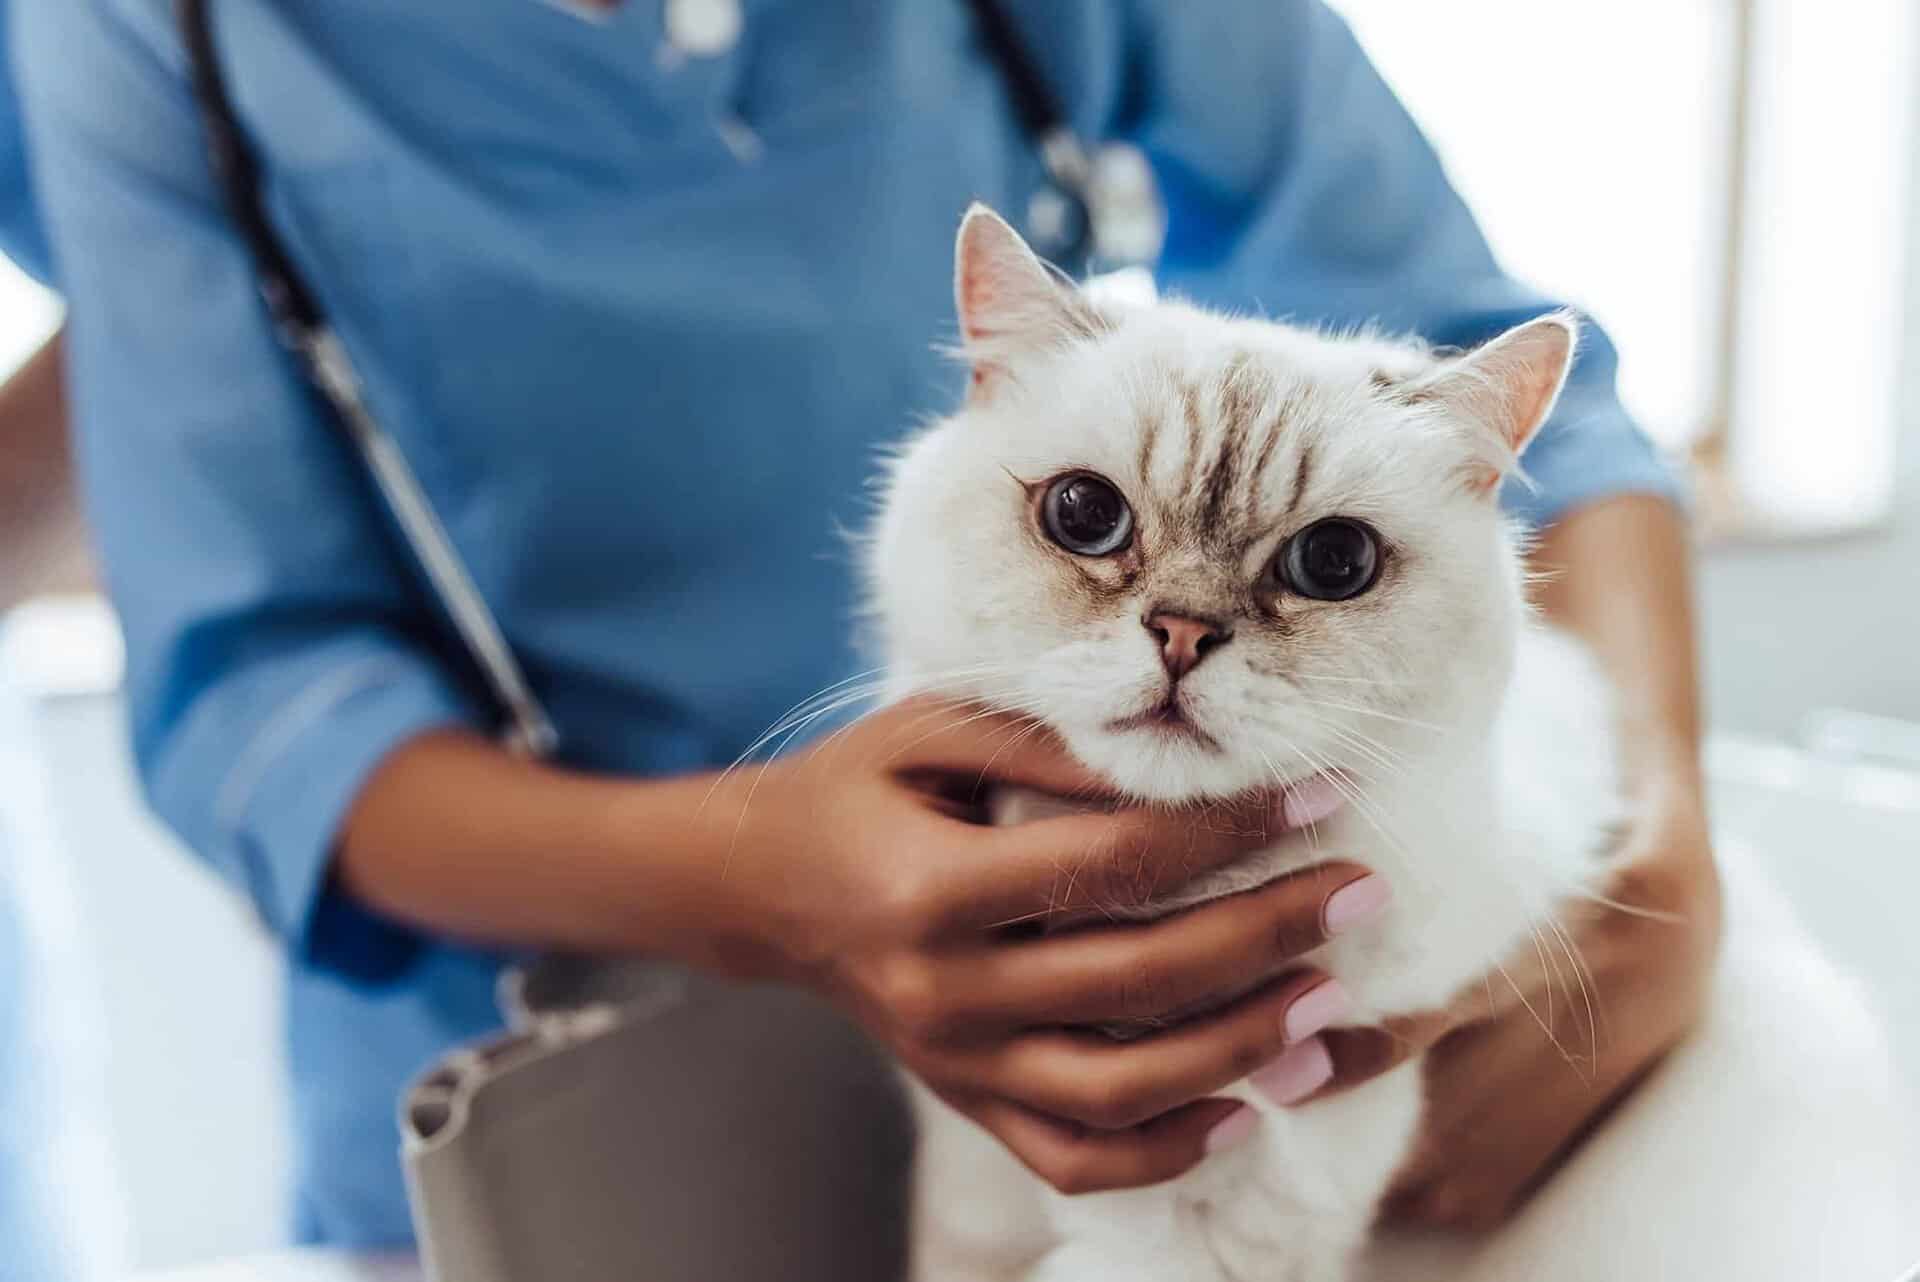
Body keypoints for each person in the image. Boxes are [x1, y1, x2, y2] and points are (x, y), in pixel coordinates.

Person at [11, 0, 1718, 1251]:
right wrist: (765, 872)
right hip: (574, 1031)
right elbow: (262, 688)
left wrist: (1658, 837)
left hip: (1189, 965)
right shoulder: (155, 34)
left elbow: (1494, 377)